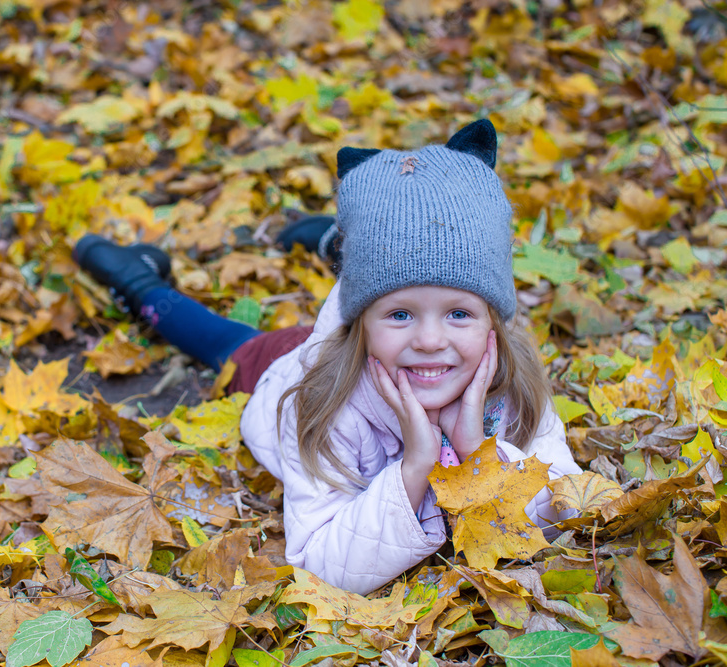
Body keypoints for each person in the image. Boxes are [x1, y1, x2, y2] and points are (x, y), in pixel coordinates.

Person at [73, 119, 582, 594]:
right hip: (290, 362)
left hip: (374, 343)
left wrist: (479, 451)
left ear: (494, 320)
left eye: (458, 314)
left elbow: (568, 509)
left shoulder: (508, 382)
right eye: (401, 313)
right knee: (226, 343)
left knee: (392, 287)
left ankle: (340, 244)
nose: (430, 339)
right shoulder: (321, 400)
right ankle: (135, 279)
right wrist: (415, 466)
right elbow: (317, 558)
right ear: (359, 319)